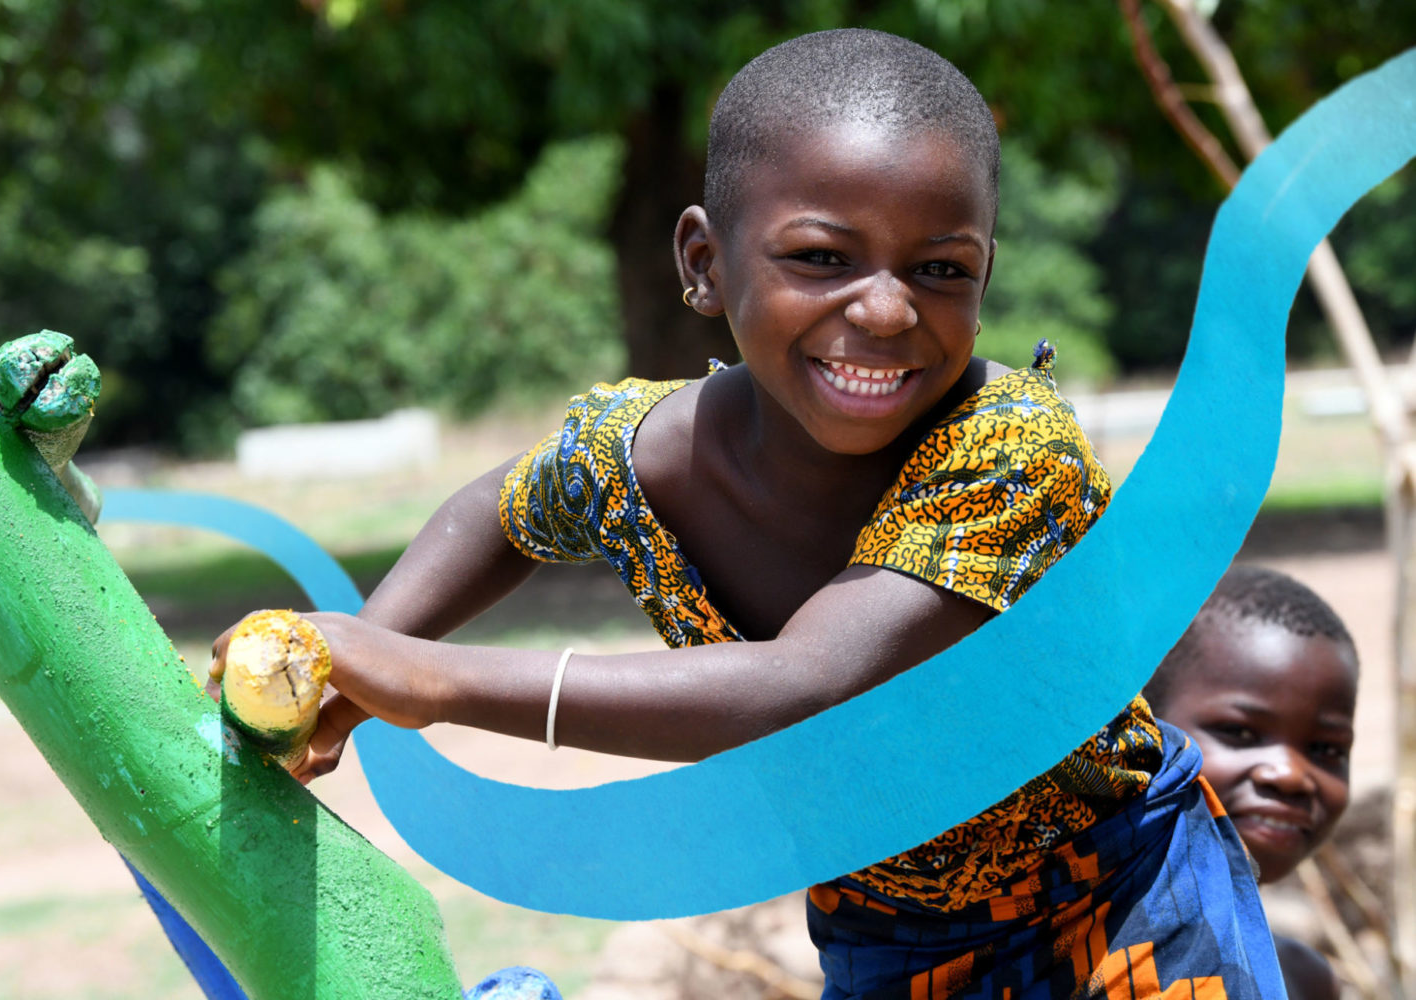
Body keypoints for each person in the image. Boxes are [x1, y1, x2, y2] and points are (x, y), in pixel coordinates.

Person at [213, 29, 1286, 998]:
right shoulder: (635, 456)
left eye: (940, 269)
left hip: (1127, 900)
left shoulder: (1009, 448)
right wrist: (358, 658)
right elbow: (496, 508)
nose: (883, 307)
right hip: (888, 937)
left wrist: (432, 682)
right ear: (703, 263)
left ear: (986, 275)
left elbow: (804, 688)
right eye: (821, 257)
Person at [1145, 566, 1359, 1000]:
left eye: (1326, 750)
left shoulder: (1303, 980)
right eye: (1240, 733)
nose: (1291, 775)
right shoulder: (1056, 960)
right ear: (1142, 727)